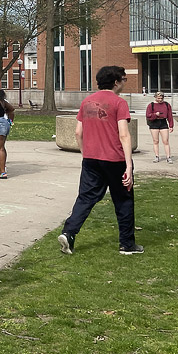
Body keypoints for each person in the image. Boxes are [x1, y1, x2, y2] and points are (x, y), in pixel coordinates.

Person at [57, 65, 140, 257]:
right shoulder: (119, 103)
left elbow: (78, 132)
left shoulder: (86, 102)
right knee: (123, 199)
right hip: (114, 159)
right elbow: (124, 135)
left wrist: (85, 154)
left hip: (91, 159)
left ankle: (69, 232)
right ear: (116, 82)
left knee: (86, 197)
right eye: (124, 79)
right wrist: (129, 165)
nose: (124, 83)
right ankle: (127, 245)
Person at [146, 92, 174, 164]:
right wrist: (155, 114)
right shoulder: (151, 105)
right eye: (158, 98)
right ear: (155, 97)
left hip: (163, 122)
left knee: (166, 141)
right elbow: (148, 115)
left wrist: (171, 125)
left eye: (161, 98)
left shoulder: (167, 105)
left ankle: (168, 157)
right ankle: (156, 156)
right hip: (154, 123)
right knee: (156, 141)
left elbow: (170, 115)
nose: (160, 100)